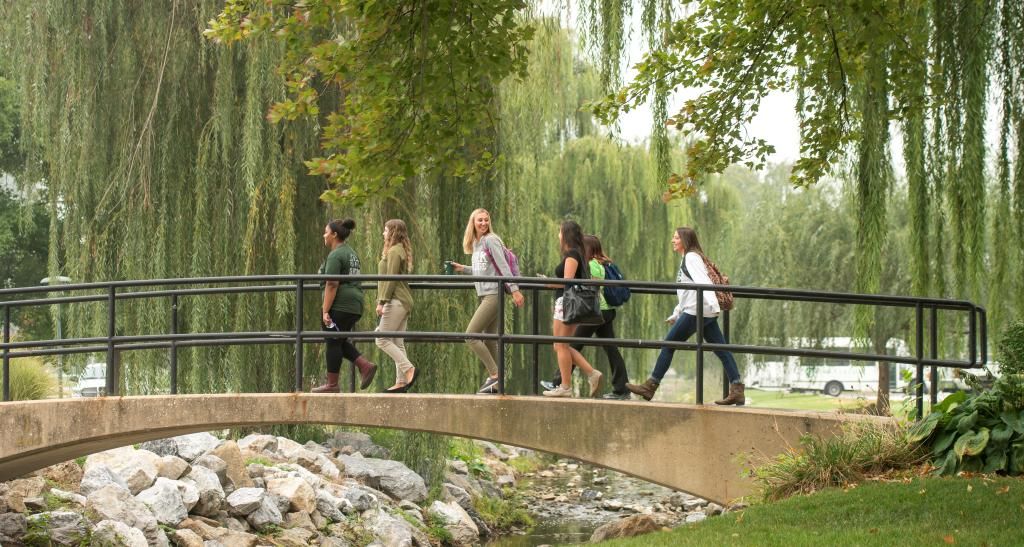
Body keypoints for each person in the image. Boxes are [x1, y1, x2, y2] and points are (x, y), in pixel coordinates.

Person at [626, 227, 744, 405]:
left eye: (676, 238)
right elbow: (687, 291)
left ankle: (650, 386)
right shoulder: (688, 258)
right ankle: (737, 389)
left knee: (668, 345)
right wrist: (677, 313)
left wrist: (713, 305)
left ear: (685, 240)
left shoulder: (691, 257)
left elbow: (703, 282)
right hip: (701, 310)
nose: (673, 241)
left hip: (698, 311)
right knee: (721, 348)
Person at [543, 235, 630, 399]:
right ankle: (622, 388)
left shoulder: (591, 264)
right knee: (610, 349)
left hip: (595, 310)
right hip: (606, 310)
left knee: (570, 344)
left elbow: (591, 289)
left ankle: (560, 382)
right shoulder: (603, 262)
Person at [449, 208, 525, 394]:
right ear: (473, 223)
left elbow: (503, 266)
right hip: (485, 294)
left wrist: (514, 290)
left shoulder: (491, 240)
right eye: (479, 220)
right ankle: (498, 382)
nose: (483, 223)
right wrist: (463, 269)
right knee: (491, 340)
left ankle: (494, 375)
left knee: (471, 335)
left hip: (493, 294)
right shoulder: (477, 243)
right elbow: (482, 269)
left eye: (486, 220)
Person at [312, 219, 377, 393]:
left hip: (341, 304)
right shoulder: (351, 253)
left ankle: (332, 385)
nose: (323, 235)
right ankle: (365, 366)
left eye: (326, 232)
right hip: (354, 304)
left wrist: (325, 310)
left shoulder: (336, 255)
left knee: (332, 341)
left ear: (334, 235)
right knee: (338, 339)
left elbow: (331, 284)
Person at [542, 220, 603, 398]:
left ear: (566, 235)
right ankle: (591, 374)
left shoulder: (572, 255)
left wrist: (547, 283)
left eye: (560, 232)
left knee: (560, 345)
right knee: (561, 345)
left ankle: (566, 386)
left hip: (566, 303)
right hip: (568, 302)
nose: (558, 235)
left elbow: (567, 282)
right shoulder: (578, 254)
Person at [375, 219, 418, 393]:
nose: (383, 234)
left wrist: (382, 301)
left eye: (385, 230)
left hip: (396, 300)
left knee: (381, 339)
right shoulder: (399, 249)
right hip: (403, 301)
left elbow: (390, 278)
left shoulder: (394, 251)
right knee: (397, 343)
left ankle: (409, 370)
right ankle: (401, 382)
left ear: (392, 232)